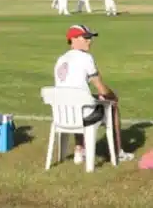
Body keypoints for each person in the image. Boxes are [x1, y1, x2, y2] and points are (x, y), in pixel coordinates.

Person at [53, 24, 134, 163]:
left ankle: (79, 149)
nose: (89, 41)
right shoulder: (86, 58)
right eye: (85, 37)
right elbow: (101, 89)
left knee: (80, 102)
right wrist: (112, 96)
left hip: (61, 113)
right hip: (80, 112)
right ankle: (117, 152)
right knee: (112, 105)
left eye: (89, 38)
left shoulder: (60, 59)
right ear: (73, 39)